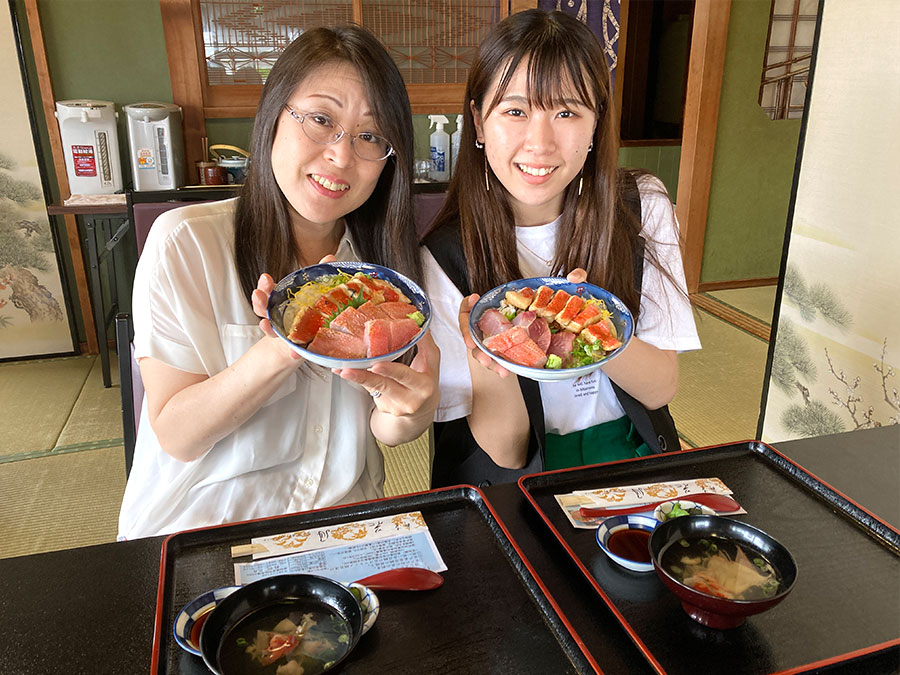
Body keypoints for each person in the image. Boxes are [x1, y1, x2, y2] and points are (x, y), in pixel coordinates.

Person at [118, 26, 440, 539]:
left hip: (343, 525)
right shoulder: (185, 242)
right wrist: (285, 346)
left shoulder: (385, 274)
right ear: (272, 117)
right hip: (207, 527)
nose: (341, 155)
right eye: (320, 119)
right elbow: (177, 434)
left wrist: (411, 411)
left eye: (370, 136)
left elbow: (387, 425)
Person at [422, 9, 700, 487]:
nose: (540, 142)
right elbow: (506, 451)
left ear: (596, 125)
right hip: (521, 479)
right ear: (478, 123)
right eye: (515, 111)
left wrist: (594, 327)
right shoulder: (444, 255)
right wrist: (488, 357)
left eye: (567, 112)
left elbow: (660, 388)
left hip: (633, 455)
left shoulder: (641, 206)